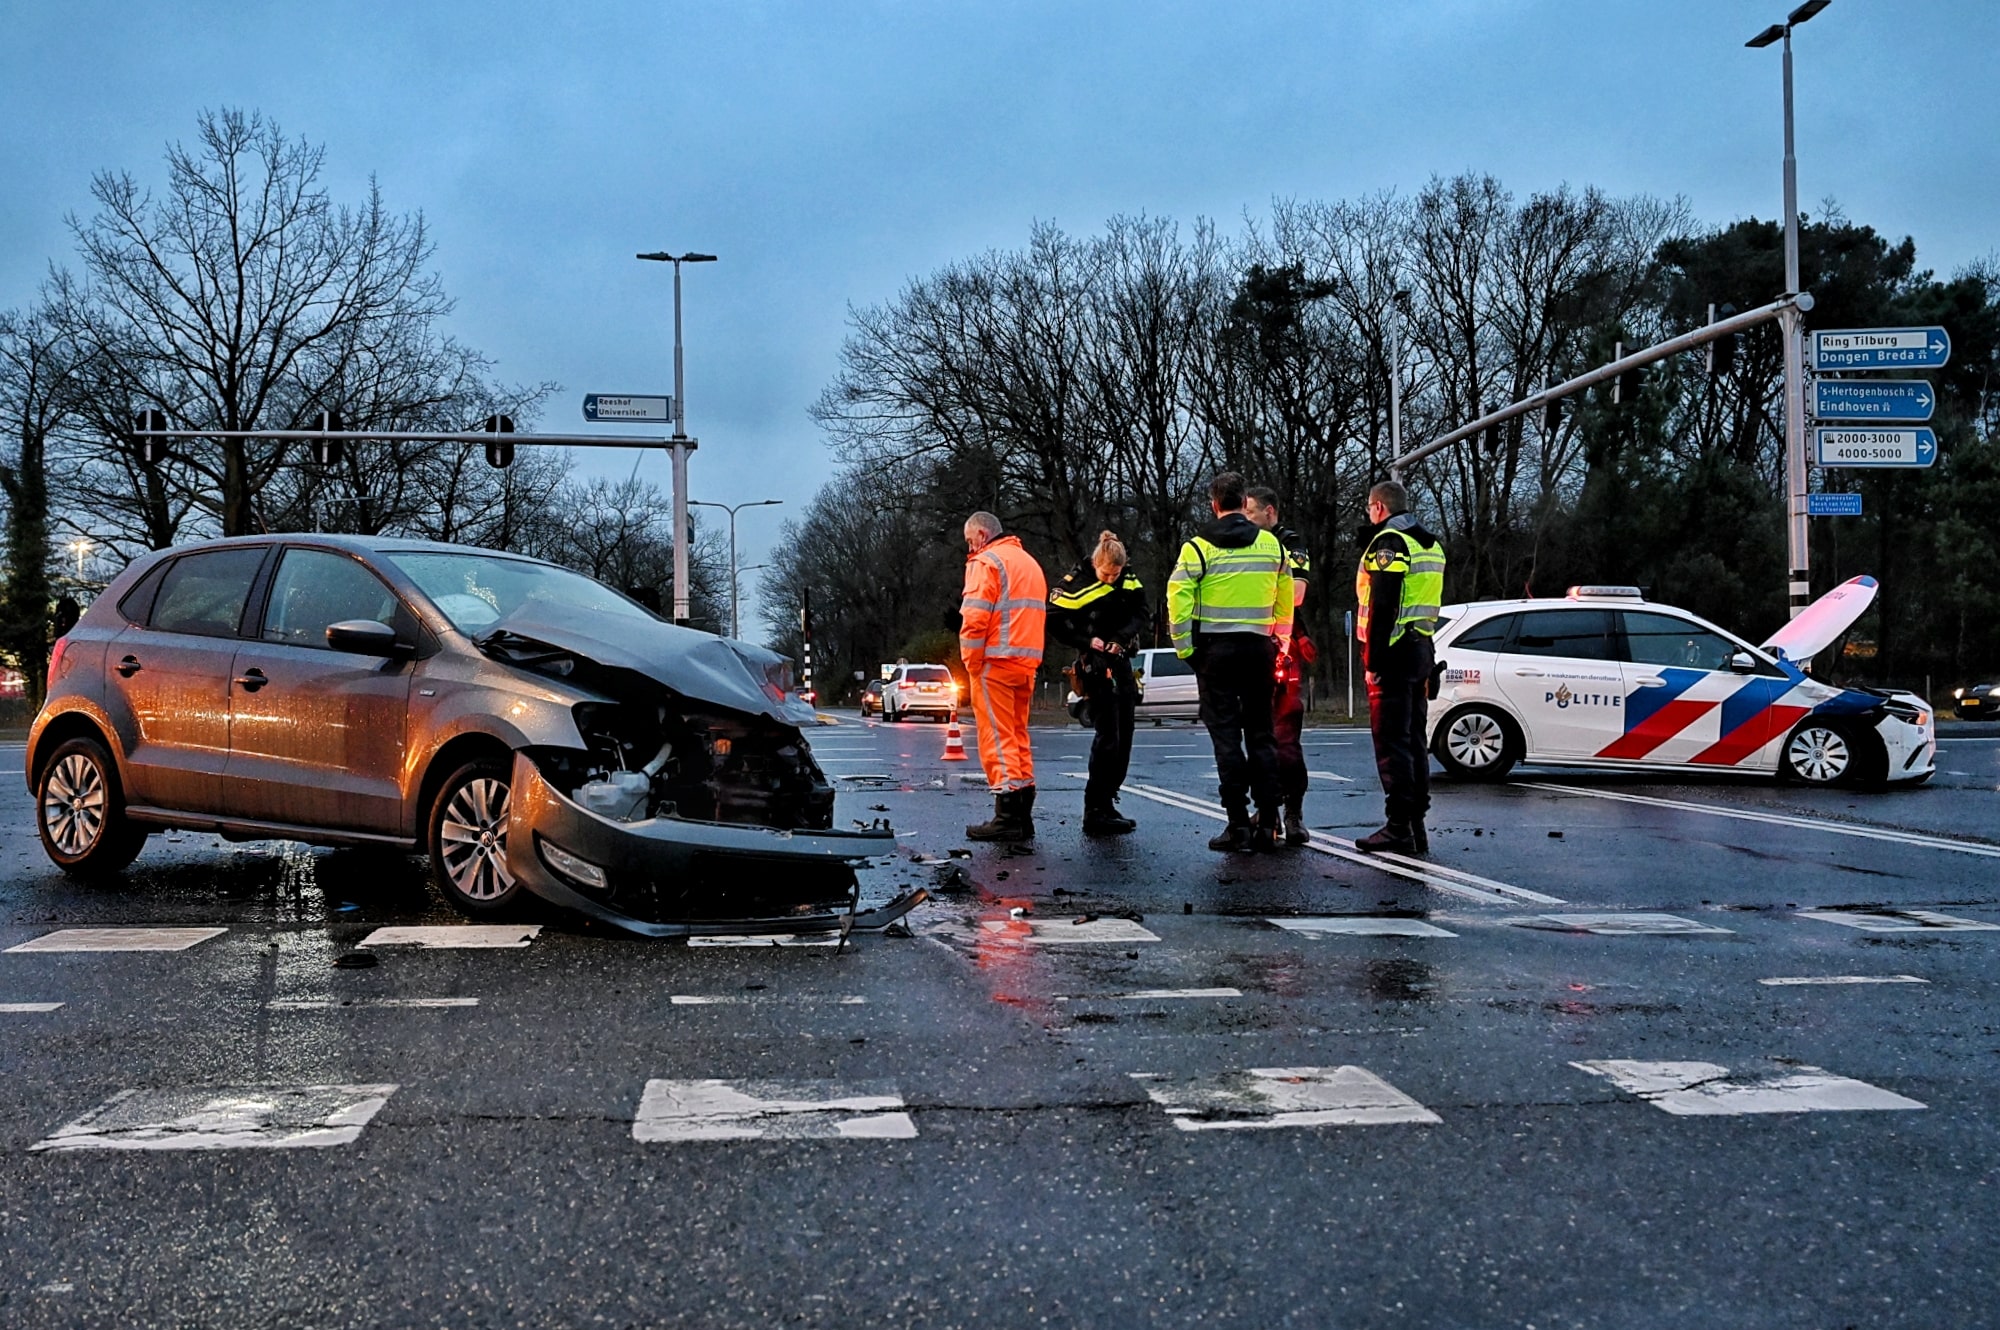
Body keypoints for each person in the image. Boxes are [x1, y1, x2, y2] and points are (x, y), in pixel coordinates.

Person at [1167, 471, 1294, 853]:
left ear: (1214, 504)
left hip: (1215, 654)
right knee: (1262, 734)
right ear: (1243, 502)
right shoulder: (1272, 546)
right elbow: (1284, 599)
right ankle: (1269, 822)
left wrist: (1186, 649)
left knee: (1226, 738)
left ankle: (1237, 823)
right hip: (1259, 650)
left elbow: (1178, 603)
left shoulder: (1198, 548)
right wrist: (1280, 642)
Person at [1353, 479, 1447, 855]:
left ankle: (1397, 827)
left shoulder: (1389, 544)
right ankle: (1416, 823)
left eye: (1368, 509)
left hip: (1392, 651)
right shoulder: (1431, 543)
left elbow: (1383, 605)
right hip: (1420, 647)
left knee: (1392, 745)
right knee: (1414, 741)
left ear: (1378, 508)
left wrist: (1373, 660)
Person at [1047, 530, 1149, 836]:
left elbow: (1141, 612)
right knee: (1108, 736)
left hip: (1120, 659)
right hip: (1095, 662)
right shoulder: (1076, 582)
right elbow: (1052, 619)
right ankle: (1094, 808)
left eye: (1116, 574)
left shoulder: (1127, 579)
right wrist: (1085, 640)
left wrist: (1120, 639)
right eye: (1106, 573)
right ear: (1096, 563)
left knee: (1125, 732)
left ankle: (1108, 801)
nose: (1111, 579)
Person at [958, 511, 1047, 841]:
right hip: (1026, 662)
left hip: (993, 661)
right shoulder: (1028, 563)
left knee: (997, 738)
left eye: (970, 541)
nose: (970, 548)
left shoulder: (986, 562)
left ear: (981, 535)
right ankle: (1023, 812)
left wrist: (971, 662)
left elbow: (975, 618)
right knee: (1018, 736)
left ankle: (1007, 815)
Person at [1245, 485, 1313, 846]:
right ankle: (1266, 807)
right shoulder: (1244, 543)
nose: (1246, 519)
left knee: (1285, 733)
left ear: (1270, 513)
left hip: (1282, 646)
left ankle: (1293, 812)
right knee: (1256, 734)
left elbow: (1297, 593)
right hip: (1252, 646)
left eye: (1252, 513)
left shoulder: (1289, 543)